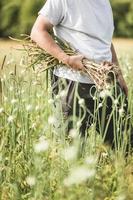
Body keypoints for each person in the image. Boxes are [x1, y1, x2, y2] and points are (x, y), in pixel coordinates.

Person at [31, 0, 132, 149]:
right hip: (71, 85)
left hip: (107, 84)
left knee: (124, 146)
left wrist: (119, 75)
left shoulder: (104, 3)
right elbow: (37, 31)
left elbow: (106, 42)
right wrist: (67, 59)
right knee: (72, 154)